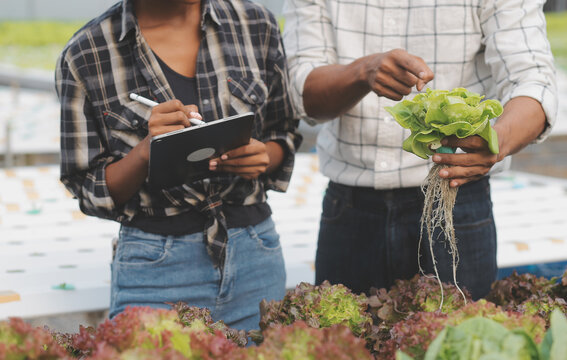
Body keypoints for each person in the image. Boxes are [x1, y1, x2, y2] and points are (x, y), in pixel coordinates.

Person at [282, 0, 557, 300]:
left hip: (456, 201)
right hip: (351, 209)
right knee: (345, 339)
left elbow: (534, 82)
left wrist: (496, 142)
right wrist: (363, 71)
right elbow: (303, 93)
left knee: (459, 340)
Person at [55, 0, 301, 331]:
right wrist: (145, 151)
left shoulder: (255, 23)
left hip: (254, 255)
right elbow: (88, 188)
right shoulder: (87, 53)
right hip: (155, 267)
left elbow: (282, 133)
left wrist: (264, 157)